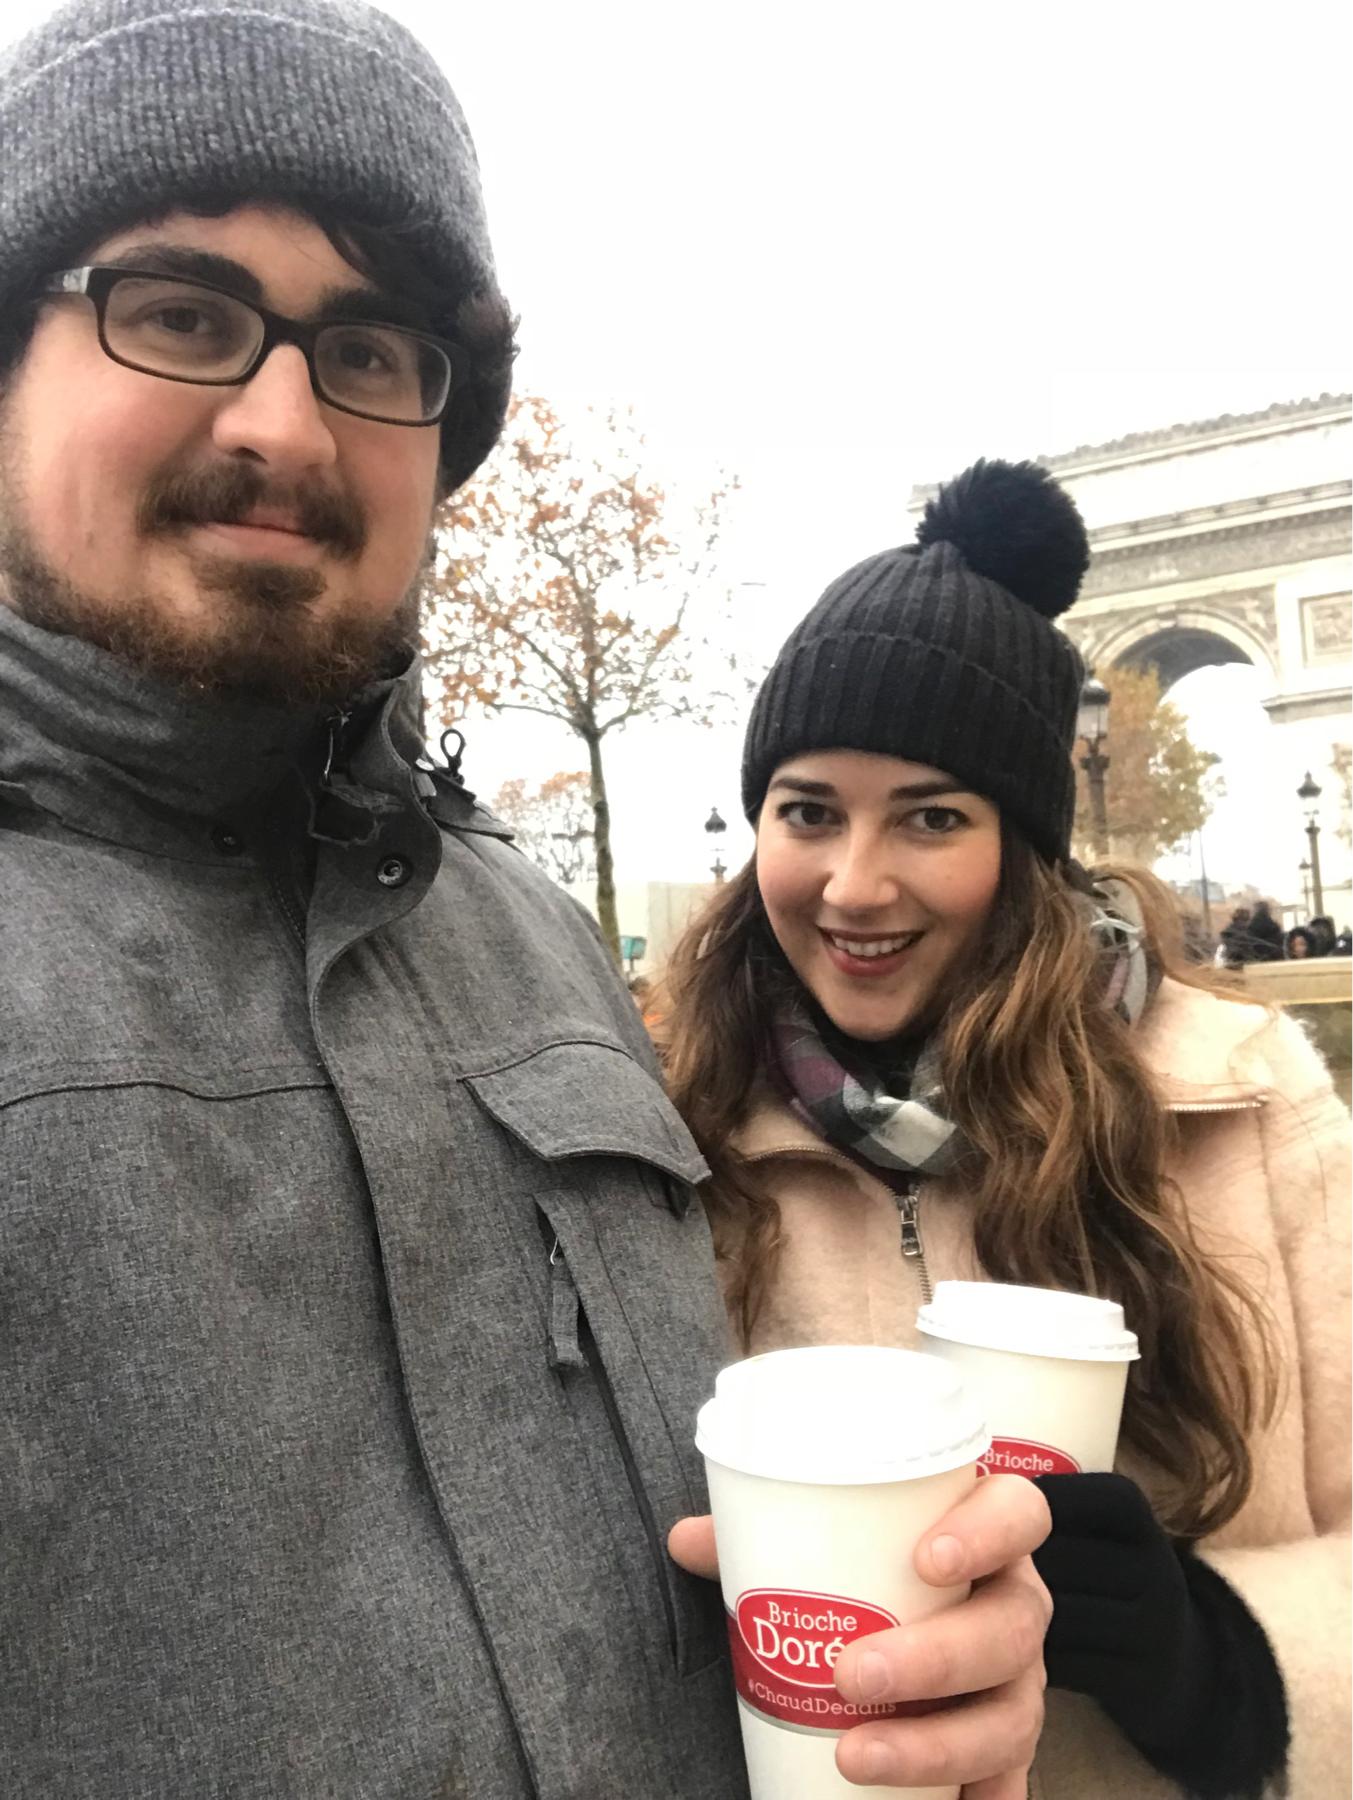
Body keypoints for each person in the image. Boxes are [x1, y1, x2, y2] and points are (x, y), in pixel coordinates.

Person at [0, 4, 1047, 1795]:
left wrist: (929, 1674)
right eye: (178, 311)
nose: (284, 424)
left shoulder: (530, 935)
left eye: (372, 348)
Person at [657, 460, 1352, 1800]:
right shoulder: (671, 1129)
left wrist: (1224, 1666)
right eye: (807, 811)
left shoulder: (1244, 1102)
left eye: (931, 816)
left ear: (1023, 845)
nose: (855, 884)